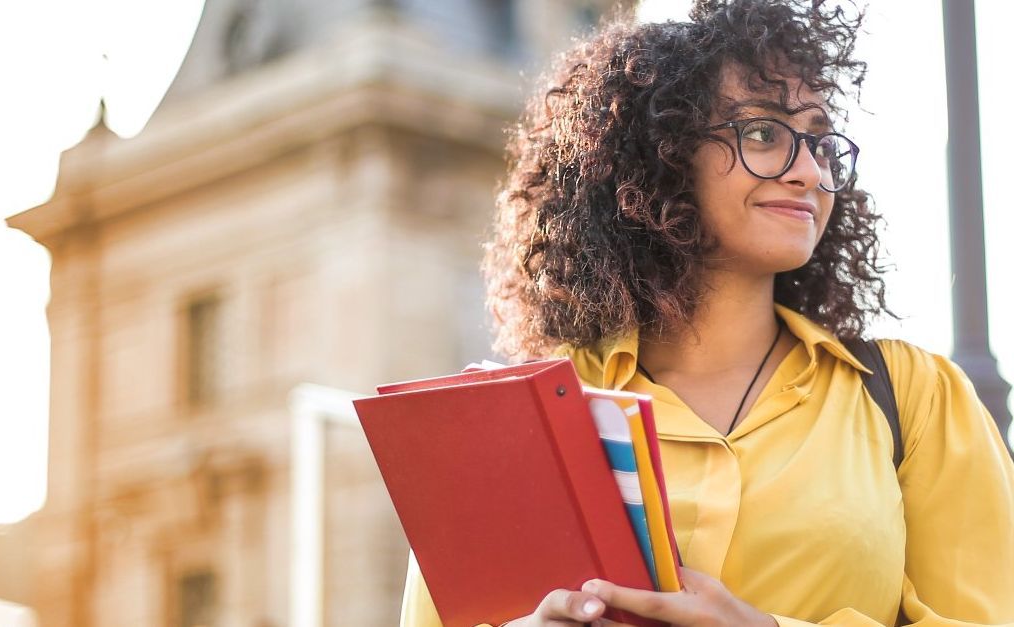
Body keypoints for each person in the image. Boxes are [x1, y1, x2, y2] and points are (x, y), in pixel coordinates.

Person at [398, 1, 1014, 625]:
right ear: (662, 154)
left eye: (822, 144)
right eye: (763, 133)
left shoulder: (912, 398)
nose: (807, 171)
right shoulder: (523, 417)